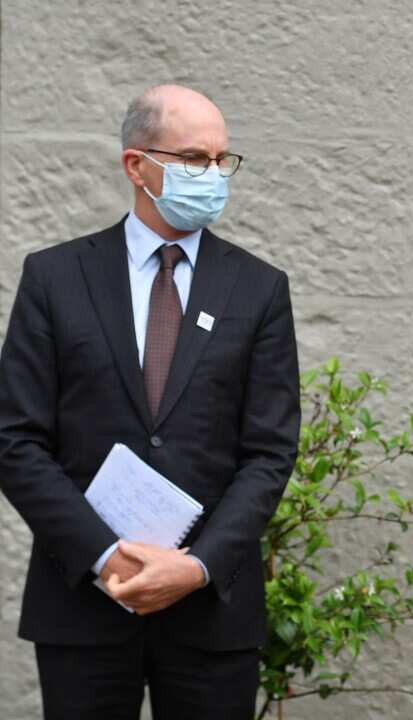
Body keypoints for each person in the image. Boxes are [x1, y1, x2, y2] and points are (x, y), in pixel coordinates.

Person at [0, 84, 300, 719]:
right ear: (137, 166)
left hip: (210, 612)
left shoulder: (259, 288)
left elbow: (270, 452)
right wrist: (106, 555)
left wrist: (197, 566)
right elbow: (16, 439)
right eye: (193, 158)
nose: (212, 175)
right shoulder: (55, 277)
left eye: (221, 160)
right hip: (84, 604)